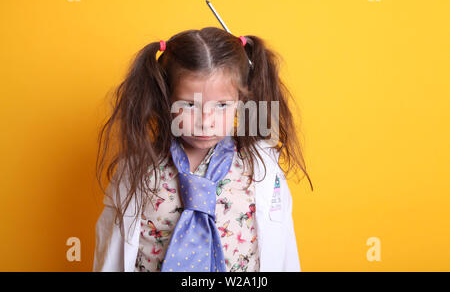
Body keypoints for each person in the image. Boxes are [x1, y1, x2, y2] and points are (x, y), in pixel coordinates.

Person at [92, 27, 313, 272]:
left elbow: (284, 253)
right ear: (164, 98)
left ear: (241, 101)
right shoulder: (136, 169)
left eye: (222, 105)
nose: (206, 121)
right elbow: (109, 254)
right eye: (188, 104)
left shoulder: (261, 169)